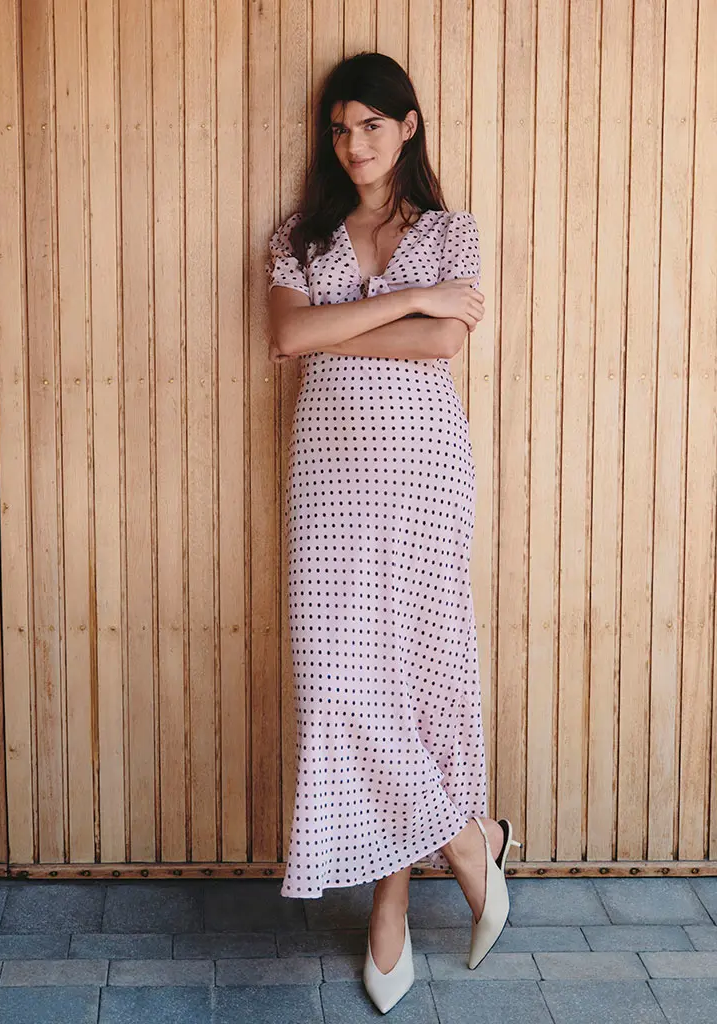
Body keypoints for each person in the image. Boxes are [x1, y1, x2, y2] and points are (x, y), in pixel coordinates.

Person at [267, 52, 521, 1014]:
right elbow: (289, 339)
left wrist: (349, 323)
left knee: (413, 678)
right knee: (344, 683)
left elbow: (442, 347)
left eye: (372, 126)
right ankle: (467, 840)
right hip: (329, 486)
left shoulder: (454, 231)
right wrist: (412, 298)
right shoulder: (302, 232)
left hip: (422, 480)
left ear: (408, 128)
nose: (354, 144)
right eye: (340, 128)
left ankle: (392, 910)